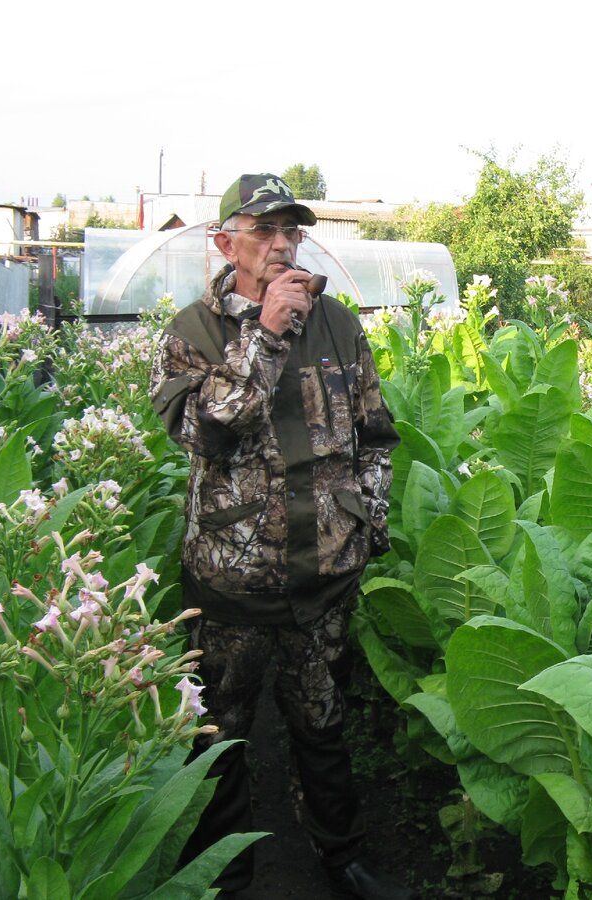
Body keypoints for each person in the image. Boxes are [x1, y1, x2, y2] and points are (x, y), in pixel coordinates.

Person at [150, 173, 409, 899]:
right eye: (263, 231)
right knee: (220, 739)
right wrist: (264, 332)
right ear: (224, 241)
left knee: (322, 726)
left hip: (322, 577)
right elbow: (208, 430)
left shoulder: (339, 325)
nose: (281, 244)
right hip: (231, 587)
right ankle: (226, 877)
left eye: (291, 230)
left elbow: (376, 436)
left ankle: (342, 857)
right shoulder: (191, 334)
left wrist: (368, 525)